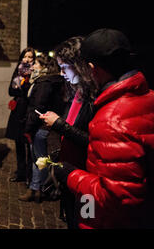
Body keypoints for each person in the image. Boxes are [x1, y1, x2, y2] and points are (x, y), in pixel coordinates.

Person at [53, 28, 154, 229]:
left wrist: (70, 174)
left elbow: (115, 197)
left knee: (81, 218)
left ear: (91, 68)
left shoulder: (111, 117)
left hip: (103, 212)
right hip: (141, 213)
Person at [39, 36, 97, 228]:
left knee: (85, 221)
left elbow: (94, 142)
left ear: (79, 65)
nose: (61, 73)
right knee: (72, 220)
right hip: (71, 175)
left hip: (87, 181)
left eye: (65, 67)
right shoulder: (76, 93)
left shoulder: (94, 99)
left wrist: (59, 125)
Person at [19, 55, 65, 203]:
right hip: (44, 126)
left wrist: (28, 127)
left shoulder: (44, 82)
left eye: (36, 64)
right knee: (39, 159)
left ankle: (38, 189)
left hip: (40, 127)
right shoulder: (51, 80)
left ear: (44, 67)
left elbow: (37, 107)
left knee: (39, 159)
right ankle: (35, 189)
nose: (33, 67)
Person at [6, 47, 36, 183]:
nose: (27, 59)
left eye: (30, 57)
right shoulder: (19, 70)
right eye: (25, 56)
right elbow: (10, 91)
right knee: (18, 143)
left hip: (28, 110)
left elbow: (28, 91)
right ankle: (20, 173)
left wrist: (20, 89)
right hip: (18, 110)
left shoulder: (34, 72)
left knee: (29, 144)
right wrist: (20, 89)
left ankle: (30, 175)